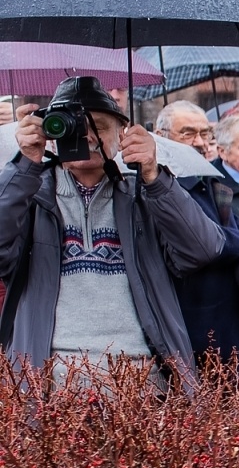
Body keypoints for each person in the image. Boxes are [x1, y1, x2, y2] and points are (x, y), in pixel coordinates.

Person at [0, 76, 227, 379]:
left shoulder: (144, 195)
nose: (88, 136)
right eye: (75, 125)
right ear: (52, 131)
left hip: (144, 386)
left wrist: (154, 177)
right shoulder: (29, 195)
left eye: (99, 127)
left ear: (123, 133)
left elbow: (203, 249)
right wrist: (26, 164)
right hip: (49, 390)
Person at [154, 101, 239, 360]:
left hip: (233, 321)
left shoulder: (209, 180)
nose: (199, 142)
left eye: (205, 133)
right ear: (160, 137)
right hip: (192, 326)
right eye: (188, 133)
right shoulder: (161, 188)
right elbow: (203, 240)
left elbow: (237, 229)